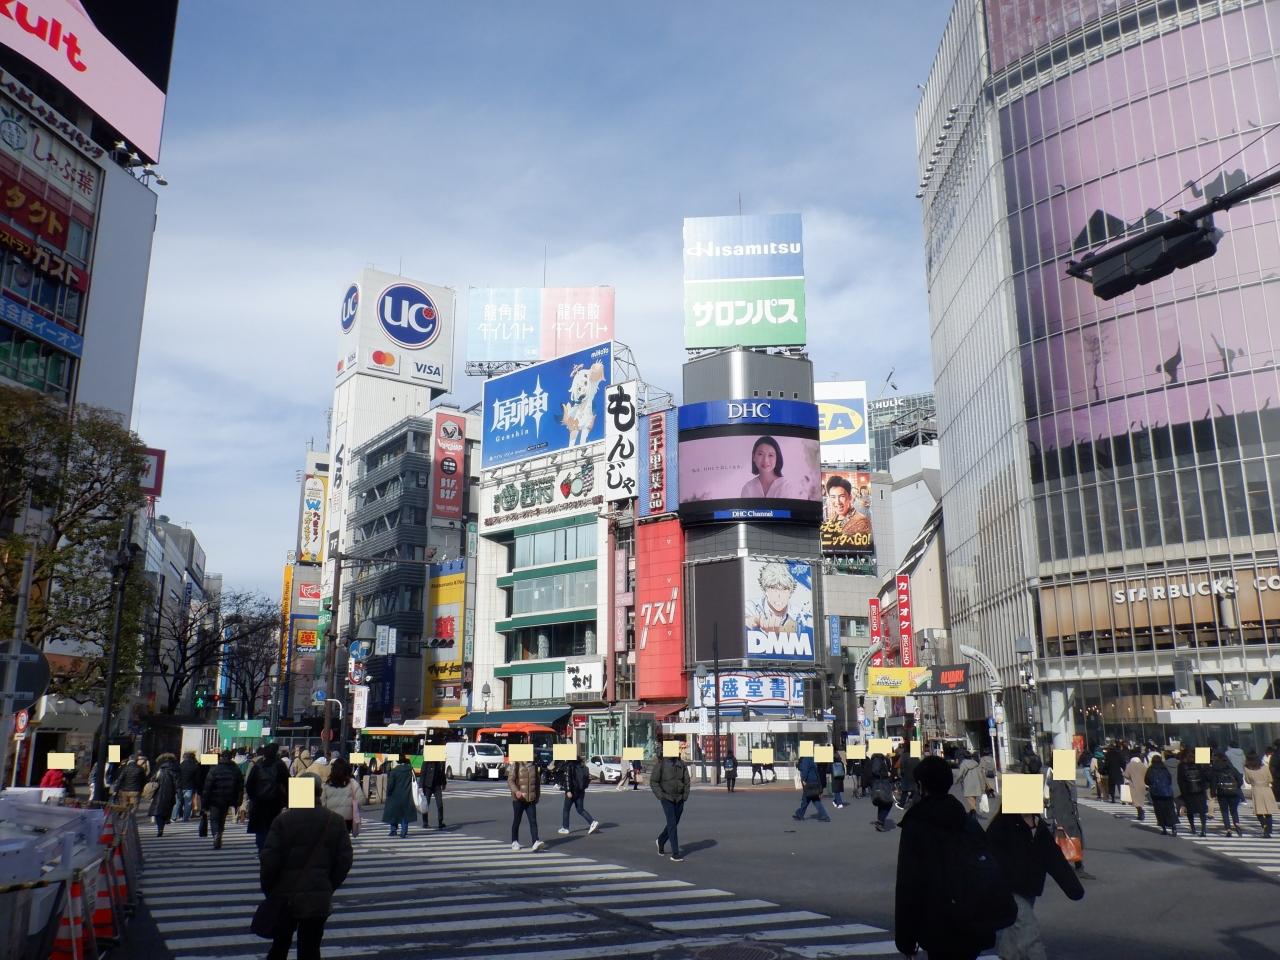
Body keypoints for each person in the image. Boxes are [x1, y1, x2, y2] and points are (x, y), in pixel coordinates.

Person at [895, 756, 1014, 960]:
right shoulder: (966, 820)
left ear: (922, 785)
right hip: (973, 917)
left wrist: (906, 939)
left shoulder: (917, 824)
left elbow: (908, 884)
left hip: (937, 922)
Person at [258, 774, 353, 960]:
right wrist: (328, 883)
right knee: (310, 948)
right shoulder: (334, 821)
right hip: (318, 896)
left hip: (285, 895)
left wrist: (269, 888)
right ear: (318, 792)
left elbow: (269, 860)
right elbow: (345, 860)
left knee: (280, 946)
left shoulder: (282, 821)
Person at [986, 797, 1085, 959]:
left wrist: (1073, 887)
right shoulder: (1002, 825)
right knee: (1029, 934)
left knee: (1013, 932)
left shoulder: (1039, 826)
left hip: (1030, 888)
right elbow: (990, 858)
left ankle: (1007, 956)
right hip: (1009, 890)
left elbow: (1054, 858)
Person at [246, 743, 290, 853]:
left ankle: (262, 849)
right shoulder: (280, 765)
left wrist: (253, 797)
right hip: (275, 802)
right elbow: (288, 783)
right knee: (273, 826)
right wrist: (287, 801)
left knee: (260, 829)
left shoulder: (257, 766)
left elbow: (249, 784)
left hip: (259, 802)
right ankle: (271, 849)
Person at [1046, 760, 1087, 875]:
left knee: (1070, 840)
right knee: (1070, 840)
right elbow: (1061, 800)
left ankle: (1076, 865)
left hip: (1067, 815)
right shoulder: (1059, 780)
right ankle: (1076, 867)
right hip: (1066, 816)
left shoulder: (1055, 778)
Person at [651, 747, 691, 862]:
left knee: (674, 823)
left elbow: (687, 781)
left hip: (679, 798)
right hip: (667, 797)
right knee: (672, 823)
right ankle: (675, 853)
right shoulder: (661, 764)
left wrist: (685, 795)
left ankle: (661, 840)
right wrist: (661, 795)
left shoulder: (681, 764)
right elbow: (654, 781)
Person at [201, 749, 246, 849]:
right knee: (222, 818)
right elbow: (240, 786)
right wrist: (239, 800)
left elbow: (207, 787)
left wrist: (204, 804)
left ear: (221, 757)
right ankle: (220, 833)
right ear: (231, 757)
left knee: (214, 818)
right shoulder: (236, 769)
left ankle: (216, 834)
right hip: (228, 797)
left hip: (215, 798)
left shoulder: (214, 769)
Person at [508, 754, 545, 851]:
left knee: (533, 821)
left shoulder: (534, 765)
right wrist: (517, 791)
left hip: (531, 798)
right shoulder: (516, 765)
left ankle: (535, 841)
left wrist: (537, 796)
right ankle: (514, 841)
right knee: (517, 820)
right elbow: (510, 780)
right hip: (519, 799)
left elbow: (537, 783)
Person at [557, 755, 600, 835]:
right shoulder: (583, 766)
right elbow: (587, 778)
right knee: (580, 809)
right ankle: (592, 822)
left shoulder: (569, 766)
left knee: (566, 809)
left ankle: (565, 828)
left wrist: (568, 790)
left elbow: (567, 778)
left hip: (572, 791)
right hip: (581, 791)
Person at [822, 474, 871, 539]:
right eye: (833, 497)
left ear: (850, 497)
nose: (837, 502)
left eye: (842, 496)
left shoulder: (861, 521)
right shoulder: (832, 518)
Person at [322, 758, 361, 835]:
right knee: (344, 839)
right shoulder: (352, 783)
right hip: (347, 819)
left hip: (331, 818)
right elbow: (361, 800)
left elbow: (322, 803)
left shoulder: (326, 785)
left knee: (333, 840)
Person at [1210, 750, 1245, 837]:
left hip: (1222, 793)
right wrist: (1236, 787)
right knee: (1234, 811)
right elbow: (1240, 780)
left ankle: (1228, 829)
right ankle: (1237, 827)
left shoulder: (1216, 770)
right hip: (1233, 792)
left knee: (1224, 811)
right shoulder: (1233, 769)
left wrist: (1213, 793)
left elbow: (1213, 783)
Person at [1177, 748, 1210, 837]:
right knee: (1202, 811)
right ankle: (1203, 829)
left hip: (1188, 791)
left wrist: (1183, 793)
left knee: (1190, 811)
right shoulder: (1198, 764)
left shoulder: (1181, 765)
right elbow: (1205, 776)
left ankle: (1193, 827)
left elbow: (1180, 780)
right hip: (1200, 791)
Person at [1243, 751, 1276, 838]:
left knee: (1259, 811)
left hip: (1256, 790)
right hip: (1266, 789)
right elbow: (1270, 779)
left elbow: (1247, 781)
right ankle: (1269, 830)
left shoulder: (1247, 768)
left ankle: (1264, 826)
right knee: (1268, 811)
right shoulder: (1265, 767)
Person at [381, 755, 415, 839]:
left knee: (394, 812)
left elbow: (391, 785)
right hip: (407, 794)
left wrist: (388, 793)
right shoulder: (410, 770)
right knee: (405, 813)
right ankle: (404, 831)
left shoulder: (394, 771)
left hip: (395, 795)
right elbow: (414, 781)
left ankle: (393, 830)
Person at [1145, 753, 1177, 836]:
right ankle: (1173, 827)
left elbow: (1146, 781)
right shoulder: (1164, 769)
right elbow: (1169, 779)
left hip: (1156, 793)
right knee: (1170, 810)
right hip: (1167, 792)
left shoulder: (1150, 769)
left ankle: (1164, 828)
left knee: (1159, 811)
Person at [148, 753, 179, 837]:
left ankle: (160, 828)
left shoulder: (160, 770)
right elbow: (177, 783)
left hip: (159, 792)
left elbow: (152, 779)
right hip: (170, 793)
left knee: (158, 811)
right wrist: (178, 793)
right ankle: (165, 821)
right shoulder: (175, 769)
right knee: (167, 810)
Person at [793, 755, 831, 822]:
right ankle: (824, 816)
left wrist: (803, 779)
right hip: (813, 782)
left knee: (807, 799)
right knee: (813, 800)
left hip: (809, 783)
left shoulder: (806, 759)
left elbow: (805, 770)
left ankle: (800, 814)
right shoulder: (811, 759)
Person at [417, 752, 447, 830]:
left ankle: (440, 822)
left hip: (437, 785)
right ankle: (425, 822)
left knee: (440, 804)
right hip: (427, 786)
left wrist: (444, 783)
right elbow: (422, 773)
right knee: (426, 804)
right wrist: (420, 787)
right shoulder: (427, 761)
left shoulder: (440, 761)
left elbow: (442, 773)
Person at [868, 752, 895, 831]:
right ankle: (880, 821)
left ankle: (880, 822)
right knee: (888, 802)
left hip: (880, 783)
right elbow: (875, 771)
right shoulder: (878, 760)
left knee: (882, 803)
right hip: (881, 784)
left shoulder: (879, 760)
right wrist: (886, 774)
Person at [1124, 749, 1148, 821]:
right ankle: (1140, 812)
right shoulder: (1142, 765)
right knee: (1140, 800)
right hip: (1143, 784)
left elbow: (1126, 775)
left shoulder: (1129, 765)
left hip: (1133, 784)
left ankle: (1140, 812)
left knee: (1135, 800)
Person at [957, 750, 983, 815]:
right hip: (976, 782)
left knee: (968, 797)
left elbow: (960, 774)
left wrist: (956, 781)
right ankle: (972, 811)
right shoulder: (976, 763)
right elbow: (980, 774)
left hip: (968, 783)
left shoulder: (963, 764)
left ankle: (973, 811)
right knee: (973, 797)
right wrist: (982, 784)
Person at [177, 751, 200, 822]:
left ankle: (177, 816)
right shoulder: (195, 766)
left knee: (179, 801)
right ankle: (186, 817)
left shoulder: (180, 765)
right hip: (190, 786)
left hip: (180, 786)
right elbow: (197, 778)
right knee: (188, 803)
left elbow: (177, 777)